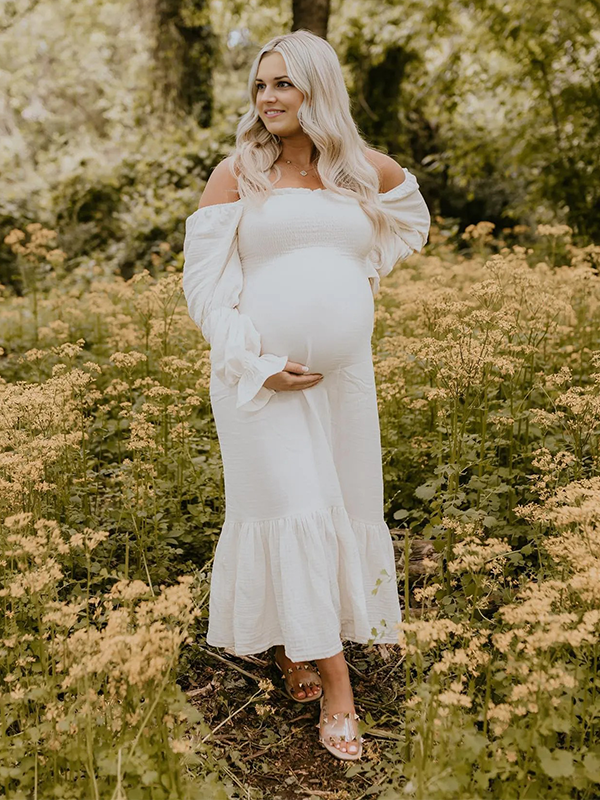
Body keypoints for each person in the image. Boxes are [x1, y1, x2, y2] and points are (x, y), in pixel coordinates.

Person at [182, 29, 431, 761]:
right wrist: (254, 360)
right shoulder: (237, 173)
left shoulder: (363, 170)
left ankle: (299, 640)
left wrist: (356, 282)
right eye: (261, 85)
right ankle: (339, 689)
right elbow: (202, 289)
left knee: (336, 509)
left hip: (344, 382)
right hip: (260, 383)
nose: (268, 98)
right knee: (294, 509)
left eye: (283, 84)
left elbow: (410, 219)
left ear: (318, 89)